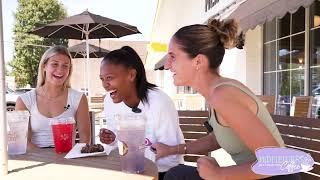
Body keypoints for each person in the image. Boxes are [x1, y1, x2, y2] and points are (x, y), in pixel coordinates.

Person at [151, 19, 301, 180]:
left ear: (198, 61)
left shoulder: (223, 95)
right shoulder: (217, 92)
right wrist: (173, 150)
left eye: (173, 57)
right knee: (177, 174)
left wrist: (219, 174)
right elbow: (221, 136)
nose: (167, 65)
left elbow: (278, 162)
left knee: (177, 176)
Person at [99, 46, 184, 180]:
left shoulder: (159, 101)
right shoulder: (109, 101)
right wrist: (112, 139)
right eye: (102, 79)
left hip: (162, 173)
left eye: (109, 77)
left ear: (131, 75)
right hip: (126, 170)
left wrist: (136, 154)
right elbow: (119, 146)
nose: (105, 85)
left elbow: (171, 155)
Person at [15, 45, 91, 149]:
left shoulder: (79, 98)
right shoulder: (24, 100)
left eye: (65, 66)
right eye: (55, 64)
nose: (60, 70)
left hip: (68, 160)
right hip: (36, 159)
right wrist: (49, 159)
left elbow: (85, 140)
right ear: (44, 66)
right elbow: (23, 141)